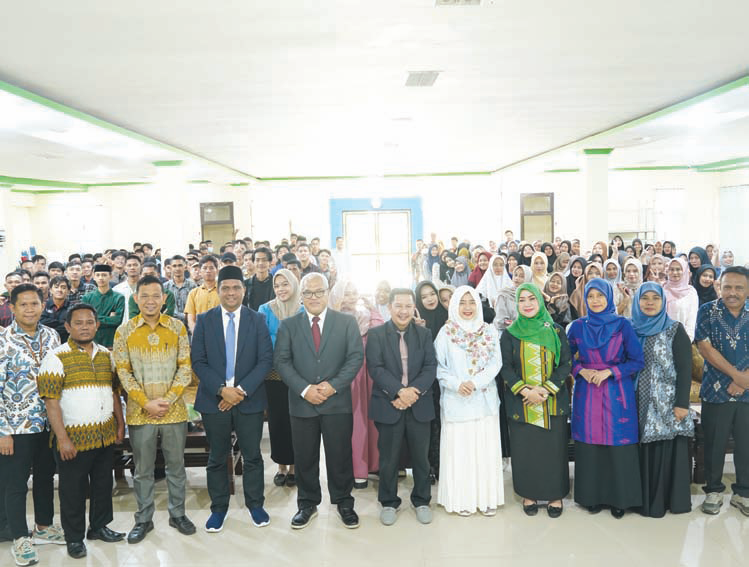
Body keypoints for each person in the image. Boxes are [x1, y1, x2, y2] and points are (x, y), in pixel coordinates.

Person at [274, 273, 364, 529]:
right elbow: (281, 361)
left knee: (339, 455)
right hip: (302, 404)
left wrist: (332, 386)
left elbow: (355, 357)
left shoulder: (346, 323)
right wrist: (304, 389)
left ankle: (344, 502)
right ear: (300, 296)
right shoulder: (288, 325)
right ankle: (307, 503)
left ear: (328, 292)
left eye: (318, 291)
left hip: (337, 402)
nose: (314, 297)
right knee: (305, 457)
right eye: (308, 293)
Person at [38, 304, 126, 559]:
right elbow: (51, 401)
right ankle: (74, 537)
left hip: (104, 435)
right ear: (68, 327)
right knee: (72, 490)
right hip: (72, 439)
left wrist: (119, 424)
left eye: (90, 322)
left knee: (102, 484)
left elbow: (114, 392)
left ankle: (99, 526)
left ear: (97, 325)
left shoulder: (105, 356)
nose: (85, 326)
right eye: (79, 322)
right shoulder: (56, 357)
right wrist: (63, 439)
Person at [113, 275, 196, 543]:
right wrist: (146, 402)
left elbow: (185, 368)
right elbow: (123, 373)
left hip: (174, 411)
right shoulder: (123, 332)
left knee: (176, 467)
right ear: (135, 298)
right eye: (144, 295)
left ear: (164, 298)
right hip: (140, 412)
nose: (150, 300)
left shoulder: (177, 328)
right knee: (143, 469)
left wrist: (169, 400)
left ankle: (178, 514)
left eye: (155, 295)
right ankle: (143, 519)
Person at [191, 266, 274, 532]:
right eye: (225, 287)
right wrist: (221, 389)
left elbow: (265, 361)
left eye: (236, 287)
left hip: (248, 399)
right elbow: (198, 361)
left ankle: (255, 504)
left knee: (252, 457)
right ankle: (219, 508)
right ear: (217, 290)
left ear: (243, 290)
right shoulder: (204, 320)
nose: (230, 292)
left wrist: (239, 391)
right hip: (214, 400)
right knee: (217, 456)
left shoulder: (256, 319)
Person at [566, 278, 645, 518]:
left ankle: (620, 499)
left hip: (615, 392)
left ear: (609, 297)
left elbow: (637, 360)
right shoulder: (578, 326)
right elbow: (566, 359)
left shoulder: (623, 325)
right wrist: (581, 371)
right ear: (585, 299)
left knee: (617, 444)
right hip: (587, 392)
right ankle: (592, 497)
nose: (596, 301)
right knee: (590, 445)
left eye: (600, 296)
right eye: (591, 296)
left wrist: (610, 371)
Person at [0, 284, 64, 567]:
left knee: (44, 478)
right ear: (12, 308)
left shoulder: (52, 336)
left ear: (42, 305)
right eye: (23, 304)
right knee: (15, 484)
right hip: (16, 427)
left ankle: (43, 526)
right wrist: (3, 431)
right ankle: (18, 537)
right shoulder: (3, 341)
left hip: (48, 424)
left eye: (34, 303)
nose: (29, 309)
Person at [366, 288, 437, 526]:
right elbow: (375, 368)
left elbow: (430, 367)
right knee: (388, 458)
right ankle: (388, 502)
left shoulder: (424, 334)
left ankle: (422, 500)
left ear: (413, 308)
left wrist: (412, 393)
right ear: (390, 308)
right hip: (389, 403)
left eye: (408, 306)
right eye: (399, 306)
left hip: (419, 403)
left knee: (421, 458)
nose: (403, 311)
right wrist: (399, 392)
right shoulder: (376, 334)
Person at [500, 283, 572, 518]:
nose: (528, 304)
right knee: (525, 451)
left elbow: (565, 364)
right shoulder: (509, 334)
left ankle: (554, 495)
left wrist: (545, 389)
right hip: (521, 403)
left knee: (553, 450)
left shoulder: (556, 331)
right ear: (516, 304)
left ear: (540, 302)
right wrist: (525, 391)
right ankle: (528, 493)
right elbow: (506, 368)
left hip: (552, 402)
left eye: (532, 299)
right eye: (522, 300)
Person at [434, 286, 503, 516]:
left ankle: (486, 499)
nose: (467, 308)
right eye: (462, 302)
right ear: (454, 305)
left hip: (483, 400)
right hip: (457, 400)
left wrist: (475, 382)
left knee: (484, 450)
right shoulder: (446, 332)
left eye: (471, 302)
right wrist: (456, 384)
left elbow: (496, 364)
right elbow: (438, 367)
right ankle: (461, 500)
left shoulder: (489, 331)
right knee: (461, 453)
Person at [631, 283, 694, 517]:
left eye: (654, 298)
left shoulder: (674, 330)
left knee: (662, 450)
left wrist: (681, 404)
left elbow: (685, 369)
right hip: (634, 402)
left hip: (665, 404)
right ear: (637, 301)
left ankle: (661, 502)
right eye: (644, 298)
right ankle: (638, 500)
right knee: (637, 449)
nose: (649, 302)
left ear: (663, 302)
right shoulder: (630, 328)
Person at [695, 266, 749, 516]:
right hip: (716, 390)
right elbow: (704, 347)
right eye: (727, 287)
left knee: (746, 445)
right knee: (714, 443)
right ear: (719, 286)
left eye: (739, 287)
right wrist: (738, 376)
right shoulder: (708, 311)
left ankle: (743, 493)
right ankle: (714, 490)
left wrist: (744, 381)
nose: (733, 292)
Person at [328, 279, 384, 488]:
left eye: (354, 293)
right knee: (353, 421)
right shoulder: (331, 316)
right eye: (347, 293)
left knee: (370, 419)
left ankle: (373, 464)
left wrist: (372, 308)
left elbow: (381, 328)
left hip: (367, 372)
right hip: (344, 373)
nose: (351, 297)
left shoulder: (364, 314)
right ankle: (355, 468)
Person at [258, 270, 303, 488]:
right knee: (277, 422)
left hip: (297, 376)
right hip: (273, 376)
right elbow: (262, 342)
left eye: (286, 284)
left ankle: (294, 466)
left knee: (295, 421)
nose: (281, 289)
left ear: (294, 285)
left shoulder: (303, 310)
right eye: (277, 286)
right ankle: (281, 466)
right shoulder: (265, 310)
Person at [415, 281, 449, 481]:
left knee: (445, 423)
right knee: (429, 425)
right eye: (424, 296)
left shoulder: (448, 317)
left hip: (448, 381)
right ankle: (429, 466)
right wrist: (421, 331)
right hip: (427, 382)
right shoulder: (415, 322)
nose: (430, 299)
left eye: (432, 294)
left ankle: (445, 465)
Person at [81, 265, 124, 348]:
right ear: (94, 277)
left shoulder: (118, 298)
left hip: (111, 342)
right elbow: (85, 320)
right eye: (98, 275)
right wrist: (108, 318)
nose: (101, 278)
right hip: (91, 342)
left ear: (110, 276)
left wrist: (94, 319)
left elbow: (117, 320)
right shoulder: (87, 297)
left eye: (104, 275)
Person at [663, 257, 698, 341]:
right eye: (671, 269)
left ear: (685, 271)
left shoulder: (691, 292)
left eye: (678, 269)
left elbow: (691, 318)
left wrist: (687, 340)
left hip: (683, 338)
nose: (675, 272)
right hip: (662, 339)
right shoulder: (662, 289)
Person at [185, 256, 220, 333]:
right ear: (200, 271)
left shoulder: (223, 292)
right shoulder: (193, 293)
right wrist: (197, 335)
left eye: (211, 268)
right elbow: (190, 319)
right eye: (205, 268)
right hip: (199, 334)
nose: (208, 271)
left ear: (217, 271)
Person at [163, 255, 198, 326]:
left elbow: (196, 308)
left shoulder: (193, 286)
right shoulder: (165, 287)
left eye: (180, 265)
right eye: (174, 266)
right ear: (170, 268)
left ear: (185, 267)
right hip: (170, 327)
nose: (177, 268)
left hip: (189, 327)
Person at [40, 276, 72, 343]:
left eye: (63, 288)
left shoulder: (73, 308)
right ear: (51, 290)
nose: (59, 290)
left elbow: (70, 326)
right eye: (56, 287)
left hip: (66, 343)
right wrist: (61, 322)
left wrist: (50, 326)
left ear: (68, 291)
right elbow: (40, 322)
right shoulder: (43, 306)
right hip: (45, 342)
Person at [243, 247, 275, 311]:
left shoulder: (276, 284)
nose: (261, 263)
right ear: (253, 262)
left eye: (264, 260)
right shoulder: (245, 285)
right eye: (257, 260)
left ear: (270, 262)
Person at [112, 254, 142, 321]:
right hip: (123, 327)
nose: (132, 268)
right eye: (129, 265)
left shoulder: (148, 288)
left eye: (135, 265)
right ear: (125, 268)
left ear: (141, 267)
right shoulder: (116, 290)